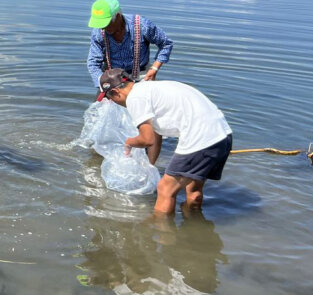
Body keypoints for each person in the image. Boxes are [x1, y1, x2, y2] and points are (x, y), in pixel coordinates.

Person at [97, 68, 232, 215]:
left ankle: (160, 233)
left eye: (110, 98)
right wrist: (148, 166)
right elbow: (155, 137)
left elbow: (146, 139)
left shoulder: (135, 98)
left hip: (199, 139)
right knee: (193, 188)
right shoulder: (149, 88)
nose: (113, 102)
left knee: (165, 189)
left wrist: (129, 142)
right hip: (222, 135)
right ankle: (192, 220)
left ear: (116, 93)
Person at [87, 0, 173, 87]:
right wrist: (102, 85)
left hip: (142, 76)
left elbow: (166, 44)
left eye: (106, 24)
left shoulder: (142, 26)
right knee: (99, 102)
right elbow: (93, 63)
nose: (103, 28)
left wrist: (154, 68)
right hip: (111, 77)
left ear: (118, 16)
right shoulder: (98, 33)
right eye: (99, 24)